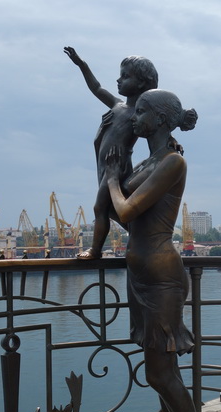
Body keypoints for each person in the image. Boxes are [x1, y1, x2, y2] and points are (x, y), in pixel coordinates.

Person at [104, 89, 213, 412]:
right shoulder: (149, 161)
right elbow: (122, 215)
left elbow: (128, 210)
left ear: (162, 119)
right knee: (162, 373)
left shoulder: (172, 162)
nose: (136, 115)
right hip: (140, 278)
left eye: (143, 110)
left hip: (163, 278)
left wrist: (113, 179)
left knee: (159, 372)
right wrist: (113, 179)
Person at [64, 46, 158, 260]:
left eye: (125, 77)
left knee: (100, 207)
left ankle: (95, 251)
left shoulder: (138, 114)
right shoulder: (117, 105)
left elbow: (155, 133)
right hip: (104, 164)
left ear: (142, 83)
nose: (119, 80)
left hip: (117, 165)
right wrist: (83, 65)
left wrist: (171, 141)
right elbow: (96, 88)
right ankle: (145, 237)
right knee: (111, 210)